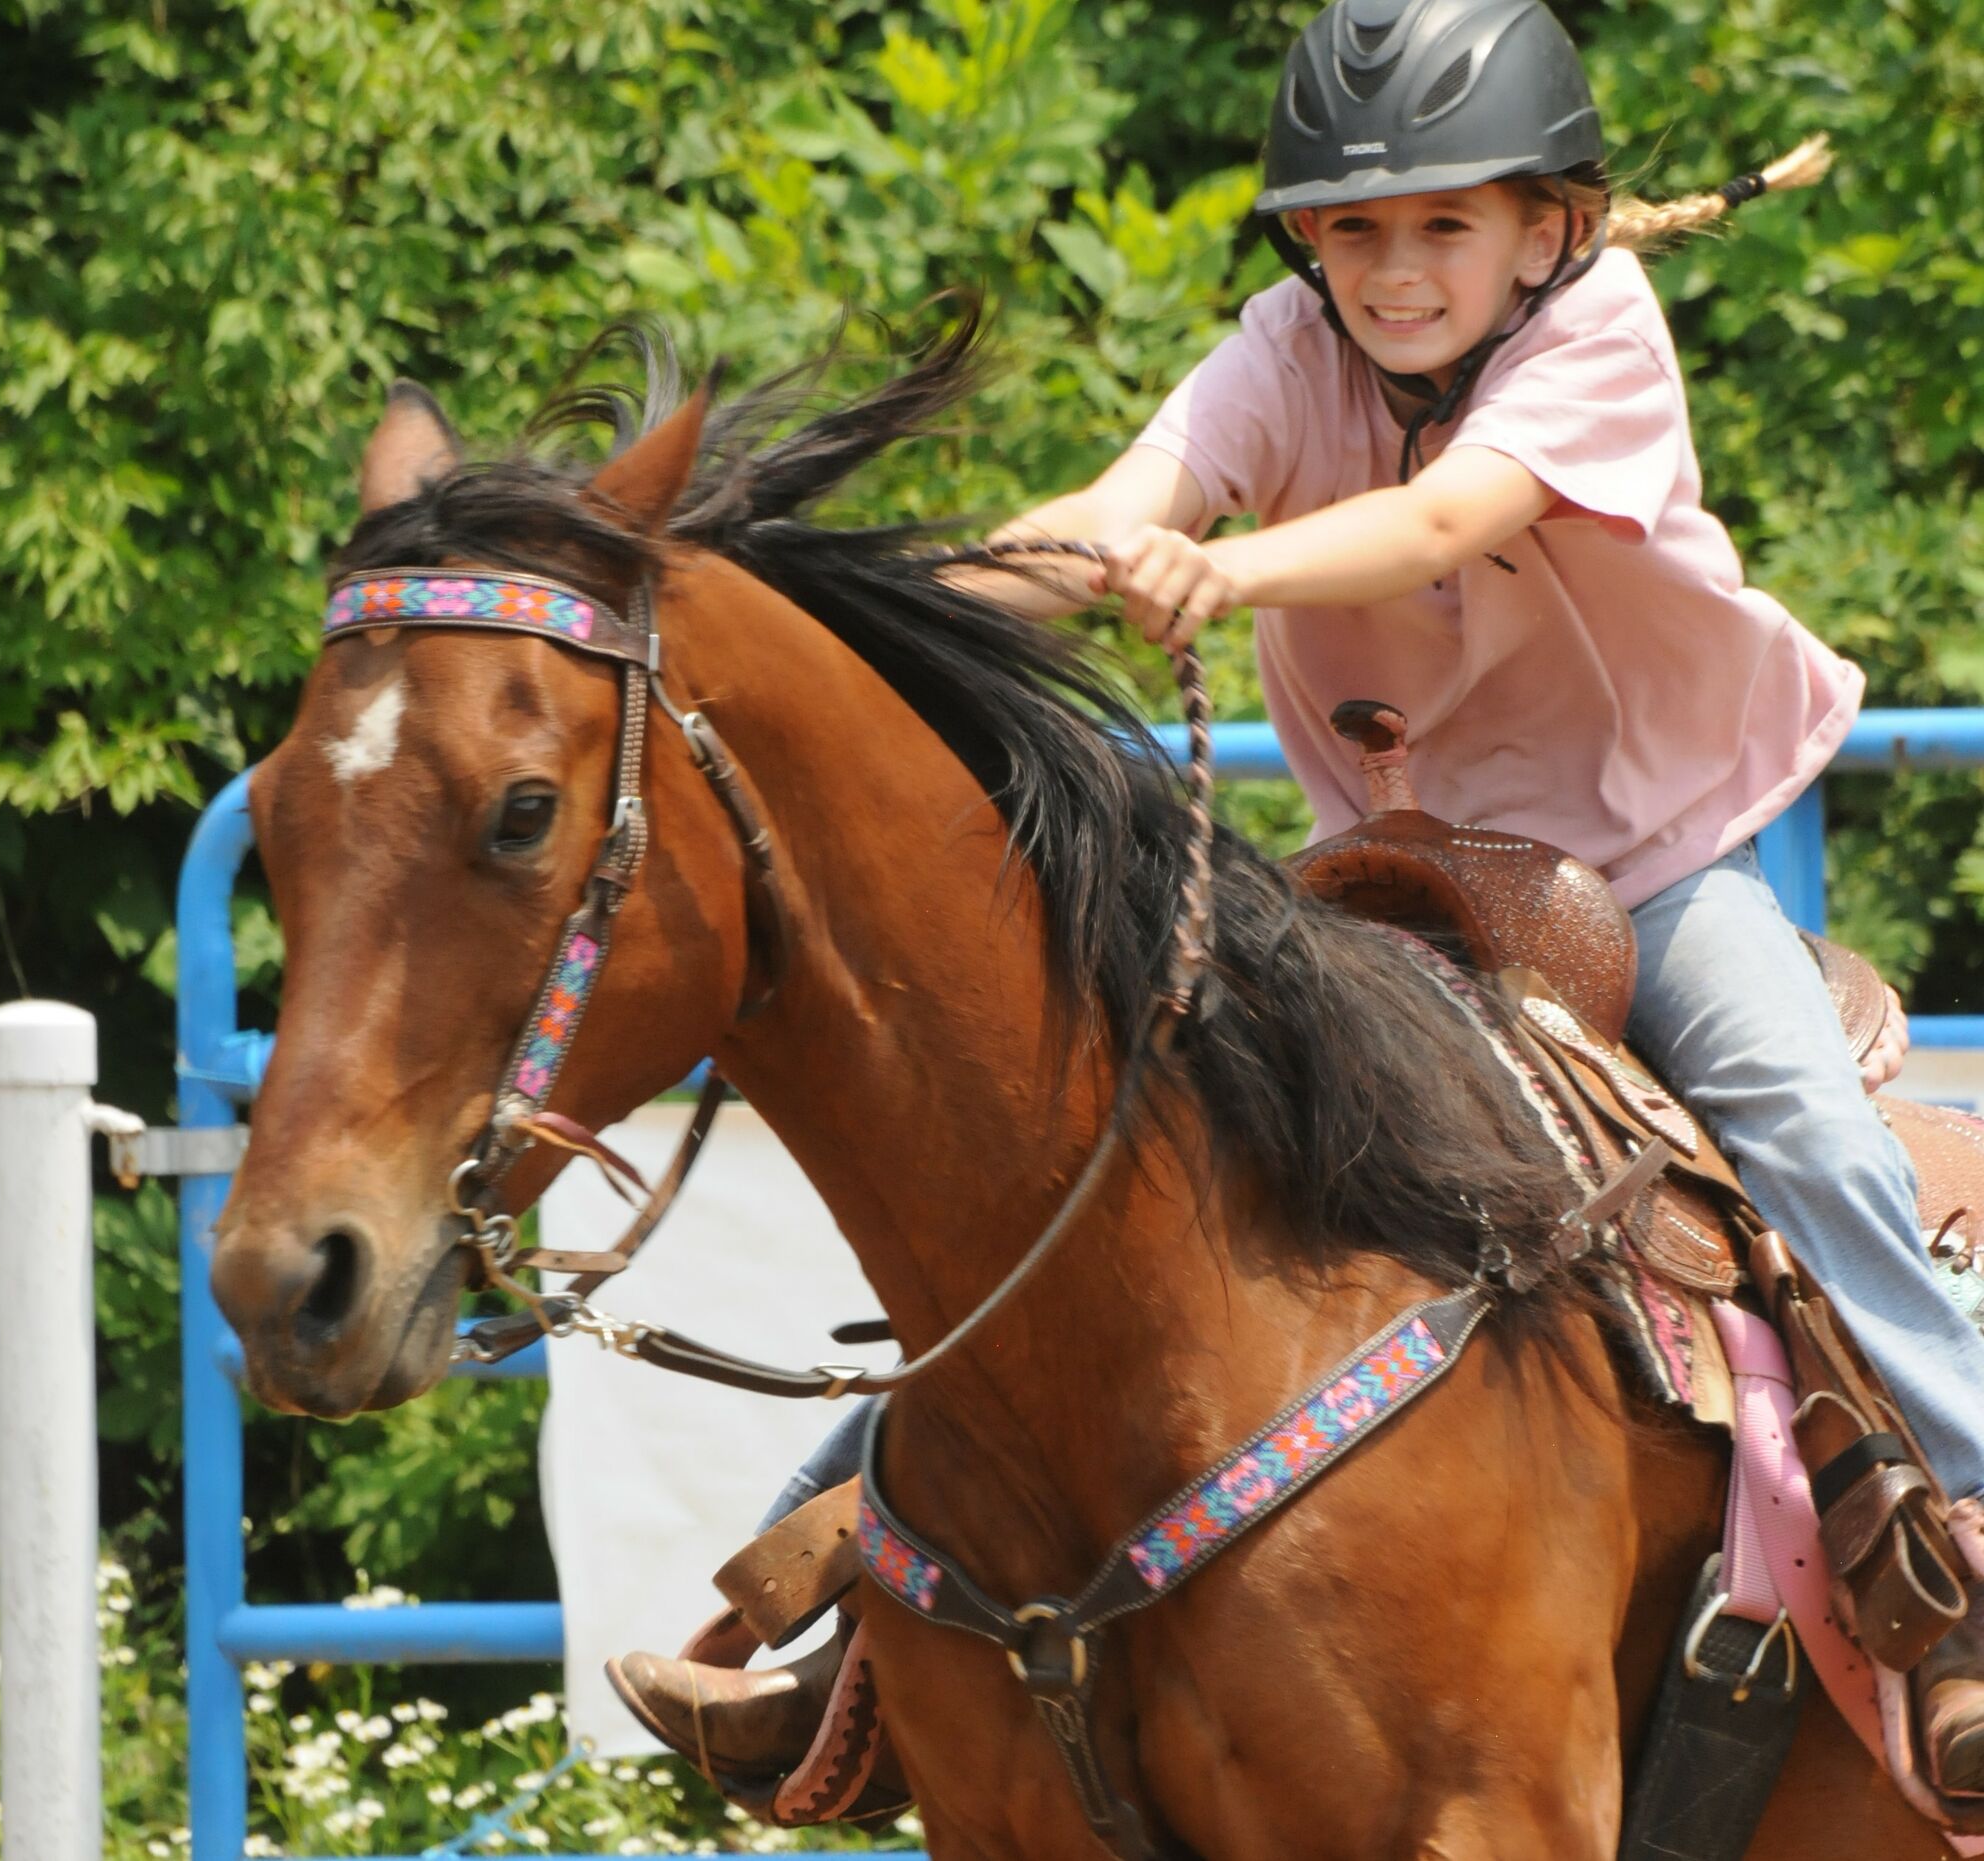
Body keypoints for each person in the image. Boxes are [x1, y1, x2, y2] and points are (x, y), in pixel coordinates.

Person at [614, 0, 1984, 1805]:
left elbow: (1440, 525)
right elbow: (1118, 511)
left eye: (1442, 223)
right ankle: (839, 1603)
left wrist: (1214, 564)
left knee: (1804, 1122)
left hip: (1646, 877)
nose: (1392, 269)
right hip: (1389, 898)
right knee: (1118, 1189)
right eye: (1352, 230)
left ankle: (1962, 1533)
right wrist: (879, 613)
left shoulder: (1601, 340)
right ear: (1304, 246)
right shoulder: (1284, 348)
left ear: (1546, 228)